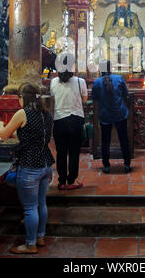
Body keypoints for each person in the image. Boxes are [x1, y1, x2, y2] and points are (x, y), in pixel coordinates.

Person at [0, 82, 55, 255]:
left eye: (19, 98)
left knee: (30, 208)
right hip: (45, 165)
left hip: (30, 167)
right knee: (41, 204)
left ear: (23, 98)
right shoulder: (46, 114)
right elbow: (30, 134)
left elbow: (3, 135)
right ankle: (40, 237)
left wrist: (0, 124)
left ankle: (30, 245)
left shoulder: (23, 113)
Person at [50, 52, 88, 190]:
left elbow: (52, 100)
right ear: (72, 65)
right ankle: (71, 180)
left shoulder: (53, 82)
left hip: (59, 120)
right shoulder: (80, 82)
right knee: (73, 152)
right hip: (75, 119)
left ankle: (61, 182)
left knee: (61, 152)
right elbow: (84, 100)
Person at [92, 59, 132, 174]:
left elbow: (95, 97)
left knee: (105, 141)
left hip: (105, 115)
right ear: (110, 68)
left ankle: (106, 166)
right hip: (120, 113)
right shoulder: (119, 79)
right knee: (124, 139)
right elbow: (125, 94)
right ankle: (127, 164)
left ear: (100, 69)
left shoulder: (97, 82)